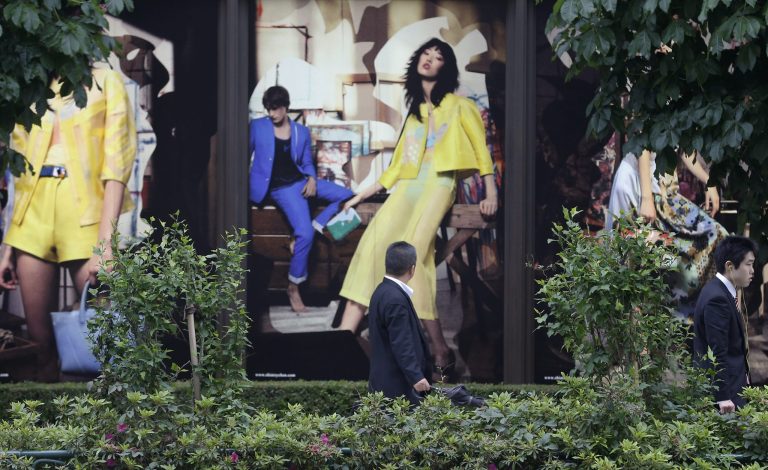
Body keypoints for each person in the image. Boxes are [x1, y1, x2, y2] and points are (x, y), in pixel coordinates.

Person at [337, 38, 498, 375]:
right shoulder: (414, 113)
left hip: (440, 184)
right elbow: (395, 169)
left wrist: (491, 191)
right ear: (418, 62)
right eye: (426, 53)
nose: (430, 59)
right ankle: (340, 341)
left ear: (446, 67)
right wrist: (360, 194)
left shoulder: (459, 106)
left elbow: (482, 152)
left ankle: (438, 348)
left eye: (438, 56)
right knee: (373, 246)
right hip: (408, 187)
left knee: (411, 254)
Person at [0, 68, 136, 381]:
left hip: (86, 212)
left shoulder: (106, 80)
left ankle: (107, 430)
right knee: (40, 349)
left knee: (103, 348)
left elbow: (117, 164)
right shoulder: (31, 83)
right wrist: (8, 246)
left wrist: (106, 246)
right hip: (31, 214)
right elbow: (18, 172)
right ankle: (45, 429)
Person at [249, 86, 353, 312]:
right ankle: (293, 286)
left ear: (285, 107)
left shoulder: (301, 132)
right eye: (268, 109)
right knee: (303, 232)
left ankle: (317, 225)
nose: (271, 113)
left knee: (348, 195)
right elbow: (242, 155)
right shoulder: (257, 127)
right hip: (279, 188)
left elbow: (306, 162)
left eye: (275, 109)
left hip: (300, 182)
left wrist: (312, 179)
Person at [606, 149, 728, 312]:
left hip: (663, 187)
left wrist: (708, 181)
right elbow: (643, 143)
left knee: (715, 238)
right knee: (632, 264)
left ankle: (678, 321)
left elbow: (684, 145)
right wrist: (647, 198)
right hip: (638, 183)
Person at [693, 235, 756, 412]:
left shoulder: (719, 290)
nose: (752, 271)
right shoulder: (717, 299)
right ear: (730, 266)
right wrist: (723, 398)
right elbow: (717, 351)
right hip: (725, 397)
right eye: (748, 264)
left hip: (733, 386)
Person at [368, 241, 431, 405]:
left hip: (386, 384)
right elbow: (401, 342)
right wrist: (416, 377)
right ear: (412, 269)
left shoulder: (381, 291)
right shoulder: (395, 298)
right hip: (398, 389)